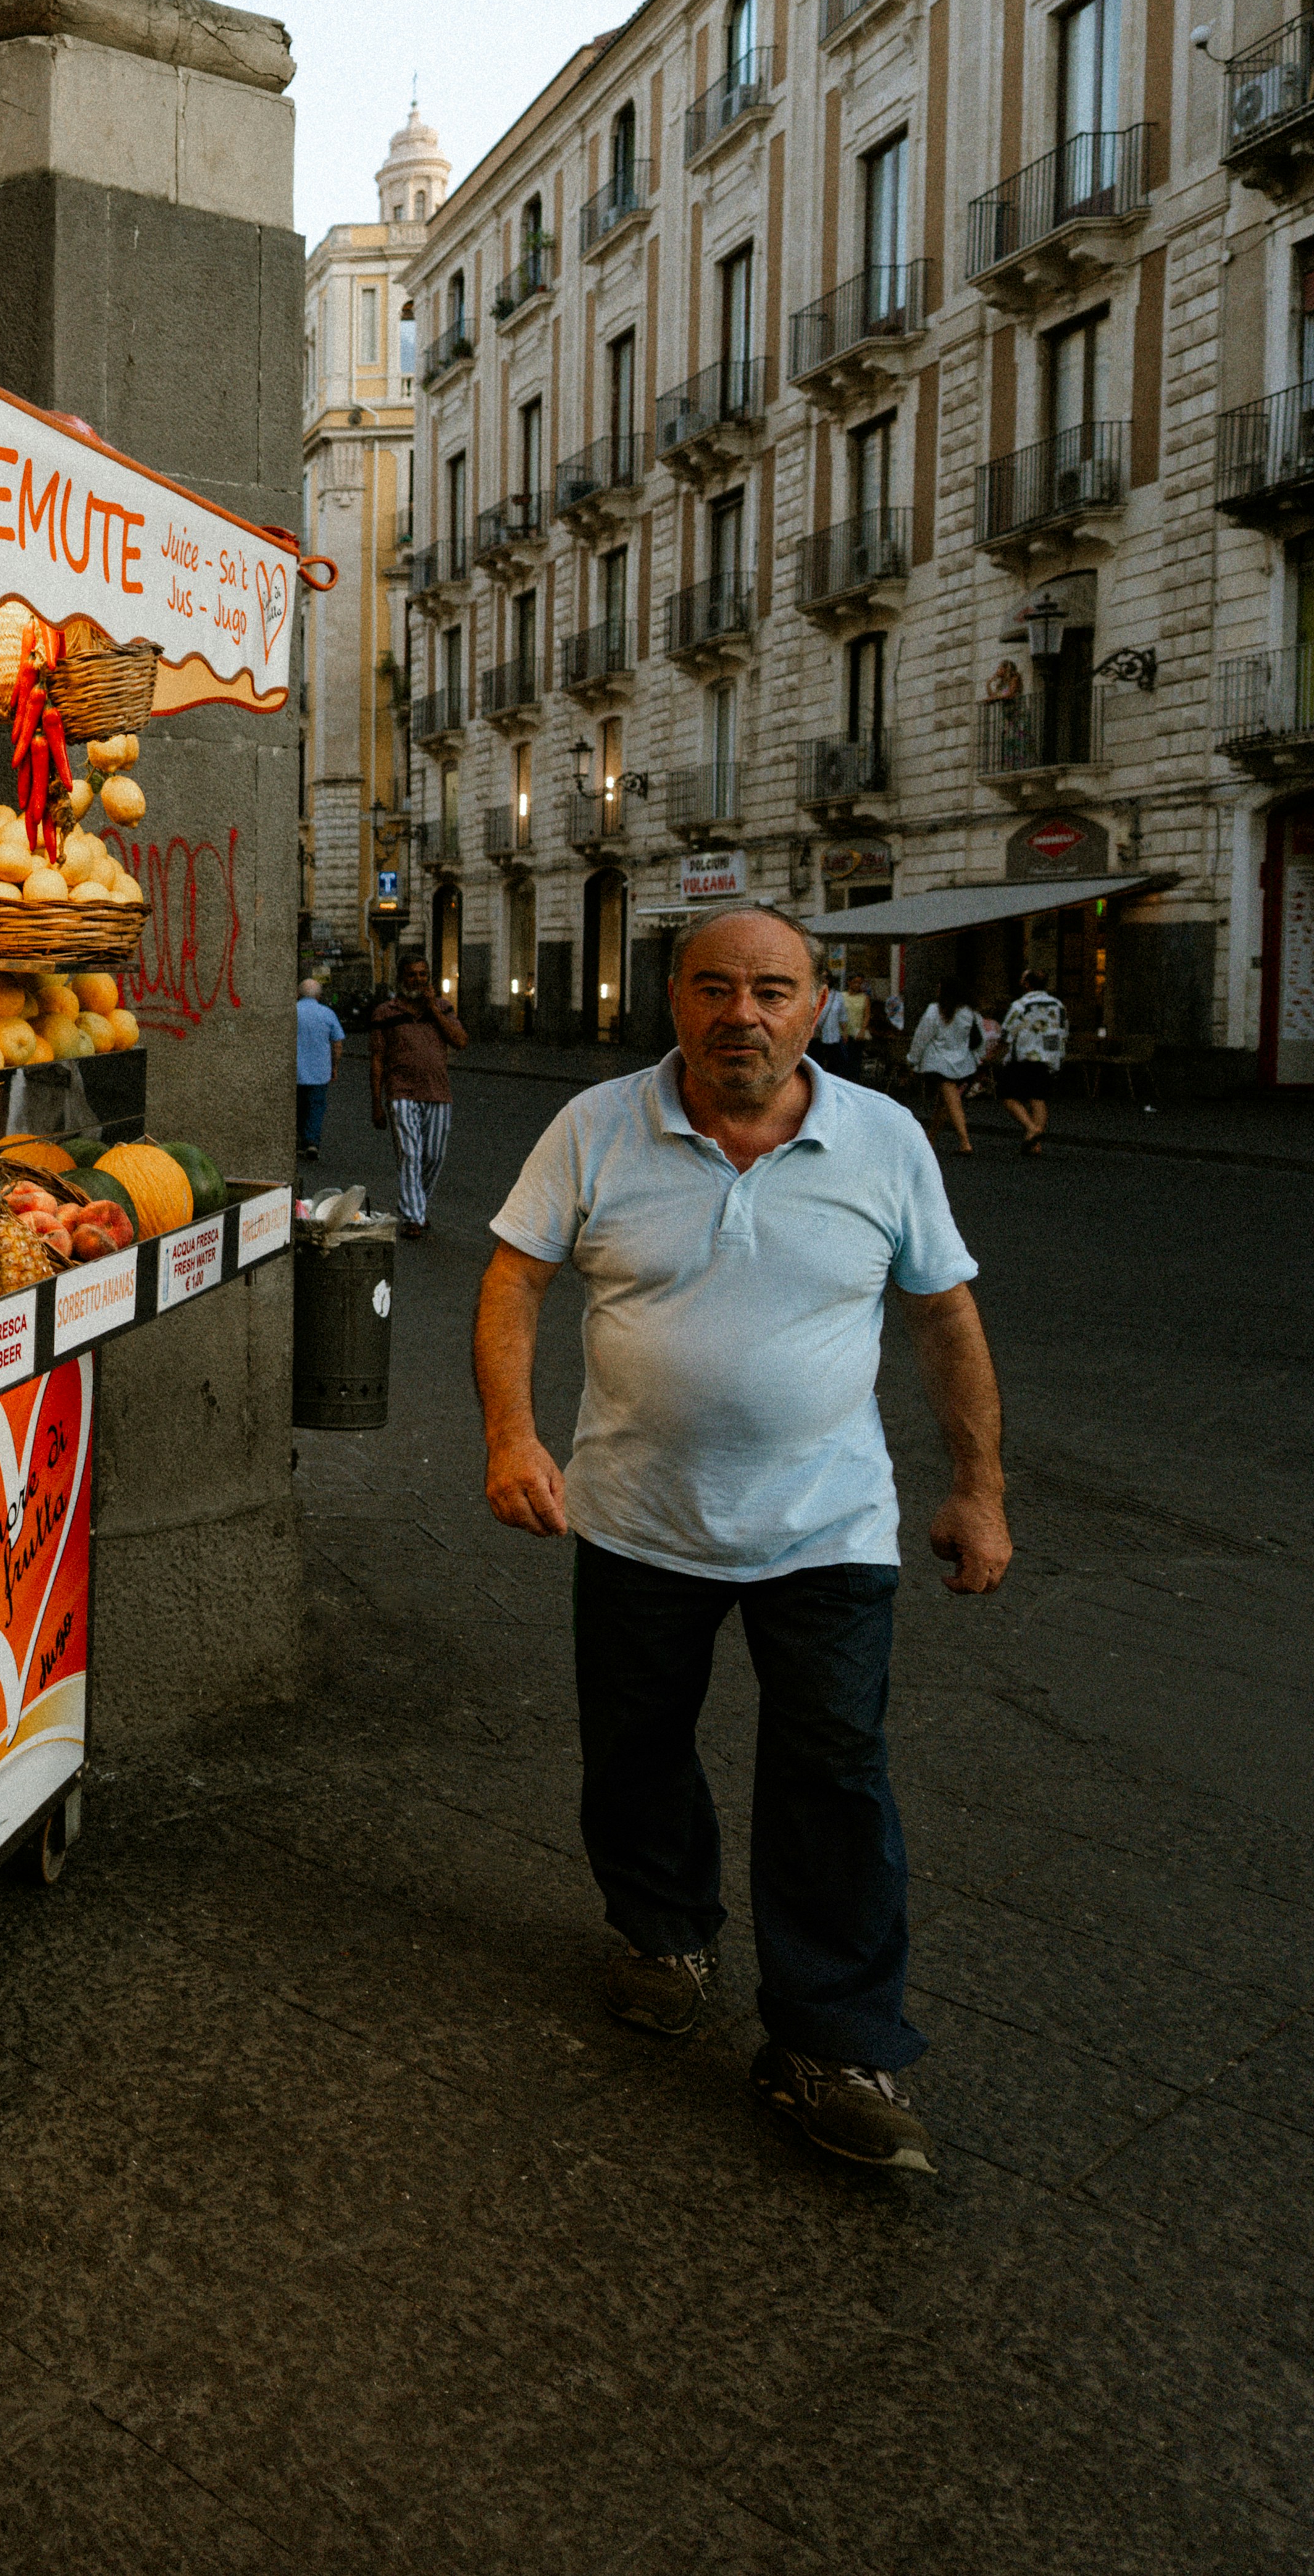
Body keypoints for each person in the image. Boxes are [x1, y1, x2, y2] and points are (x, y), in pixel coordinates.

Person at [476, 905, 1010, 2176]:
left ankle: (832, 2037)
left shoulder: (882, 1137)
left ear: (818, 1005)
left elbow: (944, 1314)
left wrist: (977, 1485)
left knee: (835, 1770)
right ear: (675, 999)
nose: (744, 1012)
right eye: (716, 986)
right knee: (638, 1741)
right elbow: (513, 1277)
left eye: (773, 988)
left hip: (828, 1522)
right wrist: (512, 1434)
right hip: (633, 1514)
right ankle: (661, 1929)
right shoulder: (597, 1123)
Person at [362, 960, 469, 1238]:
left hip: (438, 1093)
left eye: (423, 975)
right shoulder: (386, 1013)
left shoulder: (444, 1008)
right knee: (410, 1155)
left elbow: (460, 1041)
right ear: (401, 978)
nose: (417, 979)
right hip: (401, 1093)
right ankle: (412, 1217)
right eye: (411, 975)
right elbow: (377, 1059)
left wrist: (433, 1008)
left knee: (434, 1156)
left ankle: (416, 1205)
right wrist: (377, 1102)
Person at [993, 971, 1069, 1153]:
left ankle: (1031, 1128)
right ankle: (1035, 1143)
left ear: (1027, 984)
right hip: (1047, 1056)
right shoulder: (1058, 1005)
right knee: (1038, 1098)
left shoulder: (1021, 1005)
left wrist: (997, 1051)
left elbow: (1007, 1032)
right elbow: (1063, 1031)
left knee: (1007, 1095)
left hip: (1024, 1054)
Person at [908, 987, 988, 1154]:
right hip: (963, 1062)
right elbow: (980, 1037)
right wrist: (979, 1057)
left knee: (951, 1101)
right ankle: (931, 1138)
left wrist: (913, 1060)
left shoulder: (935, 1010)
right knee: (943, 1103)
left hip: (938, 1062)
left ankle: (965, 1141)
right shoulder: (971, 1012)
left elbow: (922, 1036)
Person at [291, 972, 345, 1162]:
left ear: (298, 994)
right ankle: (312, 1141)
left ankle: (299, 1139)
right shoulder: (327, 1014)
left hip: (295, 1071)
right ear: (319, 996)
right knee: (316, 1106)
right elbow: (337, 1043)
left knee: (297, 1107)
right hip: (320, 1071)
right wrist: (335, 1066)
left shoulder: (292, 1012)